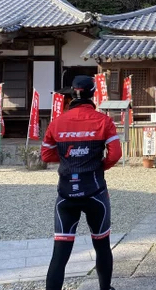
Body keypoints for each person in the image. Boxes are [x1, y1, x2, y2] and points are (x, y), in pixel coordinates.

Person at [41, 75, 122, 290]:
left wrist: (70, 158)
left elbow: (46, 155)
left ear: (71, 94)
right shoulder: (104, 121)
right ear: (92, 93)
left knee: (60, 251)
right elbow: (115, 155)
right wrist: (96, 164)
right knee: (102, 244)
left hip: (66, 194)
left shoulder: (56, 123)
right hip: (95, 191)